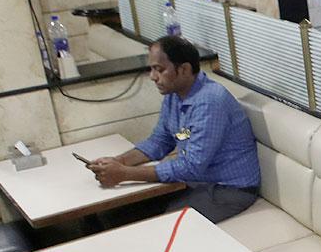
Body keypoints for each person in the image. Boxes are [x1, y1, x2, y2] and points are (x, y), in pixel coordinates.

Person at [88, 35, 260, 224]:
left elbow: (192, 167)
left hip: (228, 190)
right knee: (114, 215)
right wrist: (119, 161)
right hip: (198, 182)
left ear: (184, 69)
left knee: (159, 225)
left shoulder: (210, 102)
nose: (153, 77)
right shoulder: (175, 95)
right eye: (151, 69)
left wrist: (124, 174)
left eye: (159, 69)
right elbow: (160, 141)